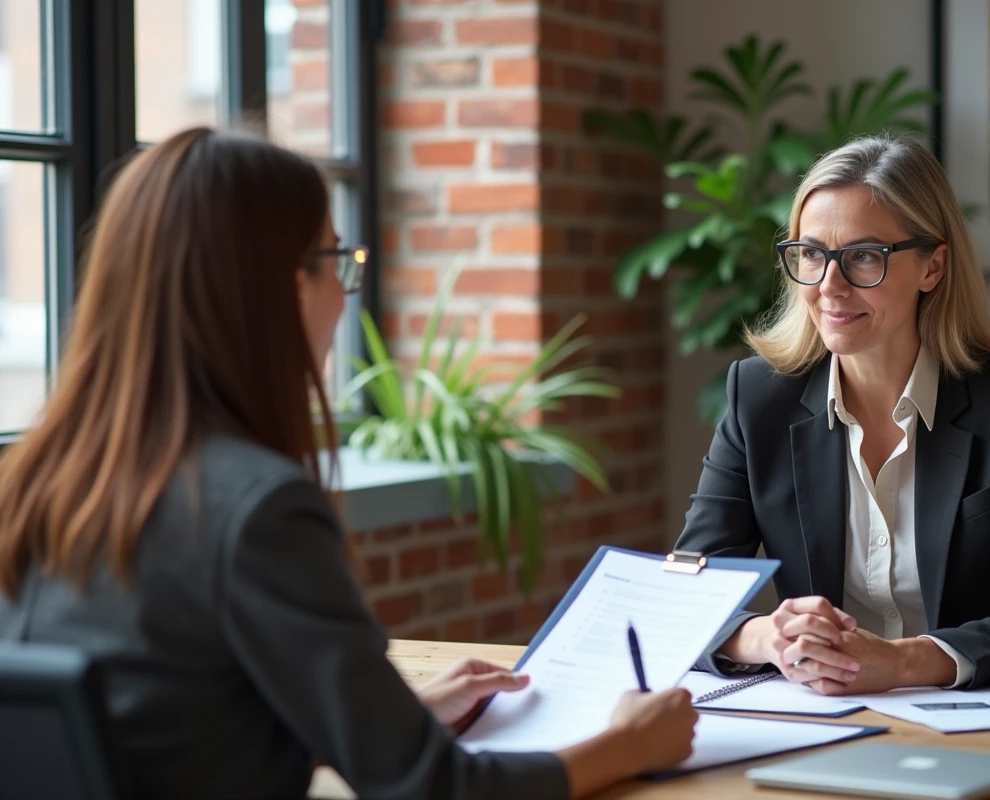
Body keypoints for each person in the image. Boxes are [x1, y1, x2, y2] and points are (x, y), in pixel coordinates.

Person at [0, 127, 697, 799]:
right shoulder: (258, 509)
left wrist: (397, 719)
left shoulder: (38, 482)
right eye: (336, 260)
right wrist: (630, 744)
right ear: (282, 285)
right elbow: (439, 790)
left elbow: (178, 726)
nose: (344, 291)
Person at [675, 135, 990, 695]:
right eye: (812, 254)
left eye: (865, 256)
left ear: (933, 267)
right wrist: (768, 639)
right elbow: (687, 593)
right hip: (821, 713)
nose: (828, 287)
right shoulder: (758, 398)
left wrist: (901, 663)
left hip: (982, 710)